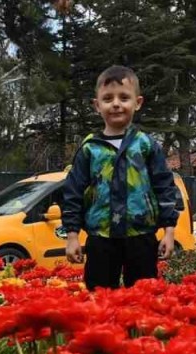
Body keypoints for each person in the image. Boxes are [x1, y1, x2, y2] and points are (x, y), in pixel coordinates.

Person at [62, 65, 181, 291]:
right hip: (100, 237)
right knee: (99, 298)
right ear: (97, 105)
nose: (116, 103)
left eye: (124, 97)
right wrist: (72, 235)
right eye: (108, 98)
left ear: (137, 102)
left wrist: (169, 230)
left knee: (143, 297)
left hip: (142, 235)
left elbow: (165, 187)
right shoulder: (90, 148)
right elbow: (73, 193)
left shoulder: (145, 144)